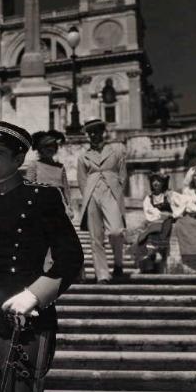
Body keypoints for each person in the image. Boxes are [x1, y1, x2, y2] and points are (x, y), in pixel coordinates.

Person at [0, 121, 84, 392]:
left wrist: (34, 295)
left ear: (18, 160)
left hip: (28, 320)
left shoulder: (43, 198)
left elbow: (71, 258)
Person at [77, 118, 127, 283]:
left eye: (96, 131)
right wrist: (87, 196)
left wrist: (118, 190)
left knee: (116, 231)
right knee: (95, 237)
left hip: (111, 192)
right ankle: (102, 274)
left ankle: (118, 264)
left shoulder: (116, 150)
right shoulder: (84, 156)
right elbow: (82, 180)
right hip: (92, 194)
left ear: (102, 132)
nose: (93, 135)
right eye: (90, 132)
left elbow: (122, 174)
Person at [131, 172, 175, 273]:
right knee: (145, 235)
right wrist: (158, 215)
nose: (155, 183)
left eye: (158, 181)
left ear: (163, 183)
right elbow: (148, 211)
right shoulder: (148, 198)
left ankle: (158, 254)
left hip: (166, 222)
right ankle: (148, 262)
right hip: (153, 221)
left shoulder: (168, 196)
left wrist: (169, 215)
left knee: (163, 226)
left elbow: (175, 209)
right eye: (153, 181)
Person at [26, 129, 73, 216]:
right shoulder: (34, 165)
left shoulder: (60, 167)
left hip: (59, 205)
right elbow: (28, 188)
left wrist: (69, 207)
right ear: (40, 149)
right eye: (47, 146)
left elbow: (66, 190)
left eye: (53, 146)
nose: (50, 149)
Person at [172, 166, 196, 269]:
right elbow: (186, 205)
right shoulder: (188, 191)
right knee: (182, 224)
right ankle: (192, 256)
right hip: (193, 215)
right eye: (195, 175)